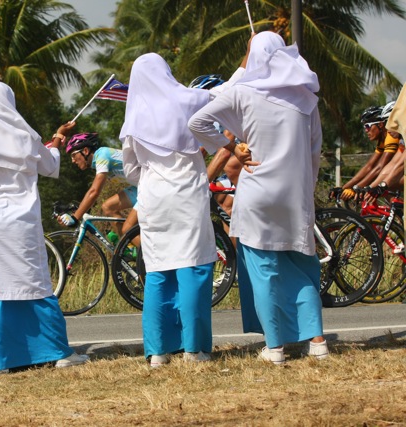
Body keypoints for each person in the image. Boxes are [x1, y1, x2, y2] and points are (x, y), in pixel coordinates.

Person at [189, 31, 328, 365]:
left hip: (257, 191)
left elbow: (198, 121)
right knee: (302, 266)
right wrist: (306, 191)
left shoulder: (243, 92)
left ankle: (276, 347)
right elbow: (314, 153)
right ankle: (318, 342)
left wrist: (230, 146)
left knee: (264, 269)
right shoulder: (307, 99)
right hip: (295, 193)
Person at [0, 81, 88, 373]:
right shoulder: (27, 139)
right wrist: (57, 139)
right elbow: (50, 165)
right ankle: (56, 351)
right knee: (34, 284)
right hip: (22, 225)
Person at [120, 53, 241, 367]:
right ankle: (193, 349)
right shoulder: (187, 99)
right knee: (194, 268)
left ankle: (157, 352)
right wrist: (245, 62)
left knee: (158, 272)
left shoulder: (133, 117)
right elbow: (226, 91)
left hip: (152, 198)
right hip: (186, 193)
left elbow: (131, 170)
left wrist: (154, 173)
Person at [57, 133, 137, 242]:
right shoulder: (98, 162)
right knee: (108, 207)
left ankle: (147, 257)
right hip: (139, 187)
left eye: (73, 155)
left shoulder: (102, 154)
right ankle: (129, 247)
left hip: (150, 186)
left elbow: (94, 192)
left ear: (85, 151)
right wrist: (78, 209)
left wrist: (75, 217)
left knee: (127, 230)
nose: (73, 160)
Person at [331, 104, 401, 201]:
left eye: (367, 126)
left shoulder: (391, 137)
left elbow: (380, 167)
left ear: (380, 125)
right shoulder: (382, 140)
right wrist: (345, 187)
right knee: (377, 185)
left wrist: (357, 188)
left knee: (379, 185)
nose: (366, 131)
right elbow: (369, 166)